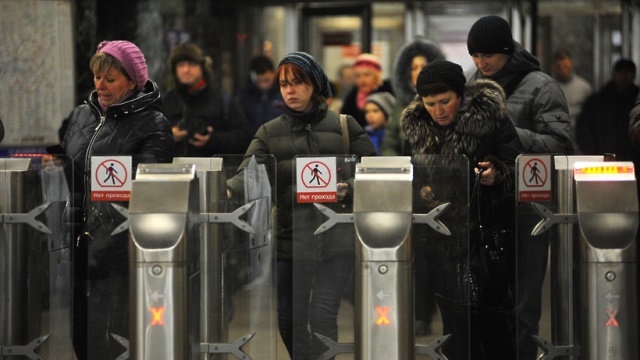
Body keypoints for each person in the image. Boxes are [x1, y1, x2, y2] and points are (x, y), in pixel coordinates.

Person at [226, 52, 376, 360]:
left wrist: (349, 188)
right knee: (288, 320)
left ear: (316, 85)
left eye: (298, 82)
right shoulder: (269, 132)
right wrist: (226, 191)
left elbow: (376, 175)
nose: (290, 90)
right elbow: (248, 173)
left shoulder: (345, 127)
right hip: (290, 241)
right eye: (284, 84)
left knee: (322, 315)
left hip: (336, 242)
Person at [58, 40, 174, 360]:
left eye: (110, 79)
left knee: (111, 339)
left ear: (133, 81)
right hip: (77, 246)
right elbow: (69, 170)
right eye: (97, 77)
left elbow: (150, 187)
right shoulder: (82, 116)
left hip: (119, 251)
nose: (101, 85)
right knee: (81, 337)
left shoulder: (153, 124)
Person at [465, 15, 573, 360]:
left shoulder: (540, 86)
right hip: (481, 206)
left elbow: (561, 144)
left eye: (489, 56)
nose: (482, 63)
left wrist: (508, 133)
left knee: (523, 304)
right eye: (476, 56)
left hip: (527, 207)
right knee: (484, 300)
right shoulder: (470, 83)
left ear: (508, 51)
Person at [402, 59, 521, 359]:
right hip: (442, 239)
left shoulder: (491, 120)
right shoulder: (417, 127)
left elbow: (517, 166)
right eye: (430, 104)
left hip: (488, 235)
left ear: (462, 96)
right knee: (455, 326)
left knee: (493, 323)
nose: (438, 110)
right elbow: (409, 173)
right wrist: (421, 191)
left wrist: (498, 174)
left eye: (445, 101)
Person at [163, 43, 250, 156]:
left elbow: (243, 138)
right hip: (173, 171)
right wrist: (167, 137)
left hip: (211, 171)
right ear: (174, 70)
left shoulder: (221, 100)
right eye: (181, 65)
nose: (186, 70)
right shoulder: (166, 100)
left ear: (202, 68)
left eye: (192, 64)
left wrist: (214, 140)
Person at [381, 38, 445, 156]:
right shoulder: (400, 106)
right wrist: (397, 165)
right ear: (407, 73)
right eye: (414, 68)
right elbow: (389, 143)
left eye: (423, 66)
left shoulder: (443, 102)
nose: (419, 71)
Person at [578, 59, 639, 174]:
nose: (624, 77)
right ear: (614, 74)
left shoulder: (636, 101)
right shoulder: (598, 101)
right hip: (603, 161)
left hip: (634, 161)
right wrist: (592, 153)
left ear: (634, 75)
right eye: (621, 72)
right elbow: (584, 129)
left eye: (628, 73)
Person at [551, 48, 592, 150]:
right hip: (556, 137)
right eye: (559, 67)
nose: (563, 70)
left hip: (580, 138)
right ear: (554, 67)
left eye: (566, 66)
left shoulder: (584, 87)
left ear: (571, 65)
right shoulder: (549, 87)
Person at [340, 53, 394, 128]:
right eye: (358, 76)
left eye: (366, 75)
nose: (362, 80)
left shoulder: (388, 95)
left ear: (376, 76)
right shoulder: (351, 98)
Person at [237, 55, 284, 137]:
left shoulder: (284, 93)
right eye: (258, 81)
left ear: (274, 73)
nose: (263, 85)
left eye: (266, 80)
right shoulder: (245, 96)